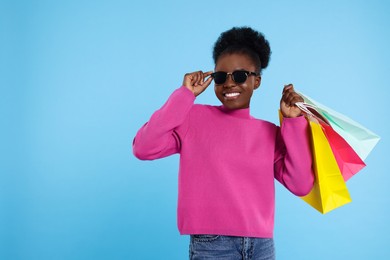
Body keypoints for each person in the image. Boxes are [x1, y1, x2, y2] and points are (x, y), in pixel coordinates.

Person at [133, 26, 314, 260]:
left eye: (240, 76)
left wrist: (294, 123)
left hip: (261, 246)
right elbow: (143, 147)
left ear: (256, 81)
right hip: (212, 245)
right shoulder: (192, 118)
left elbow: (301, 184)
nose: (229, 84)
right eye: (220, 77)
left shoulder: (270, 133)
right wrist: (184, 95)